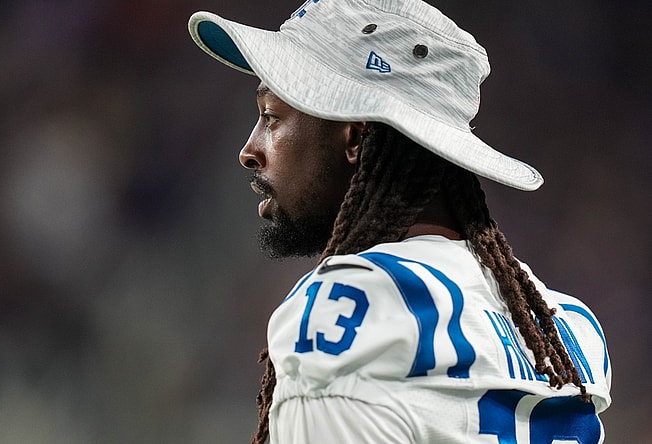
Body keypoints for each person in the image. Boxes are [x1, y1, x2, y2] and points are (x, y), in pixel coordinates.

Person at [188, 0, 612, 442]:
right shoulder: (570, 327)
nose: (249, 150)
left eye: (272, 117)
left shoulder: (347, 306)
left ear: (353, 137)